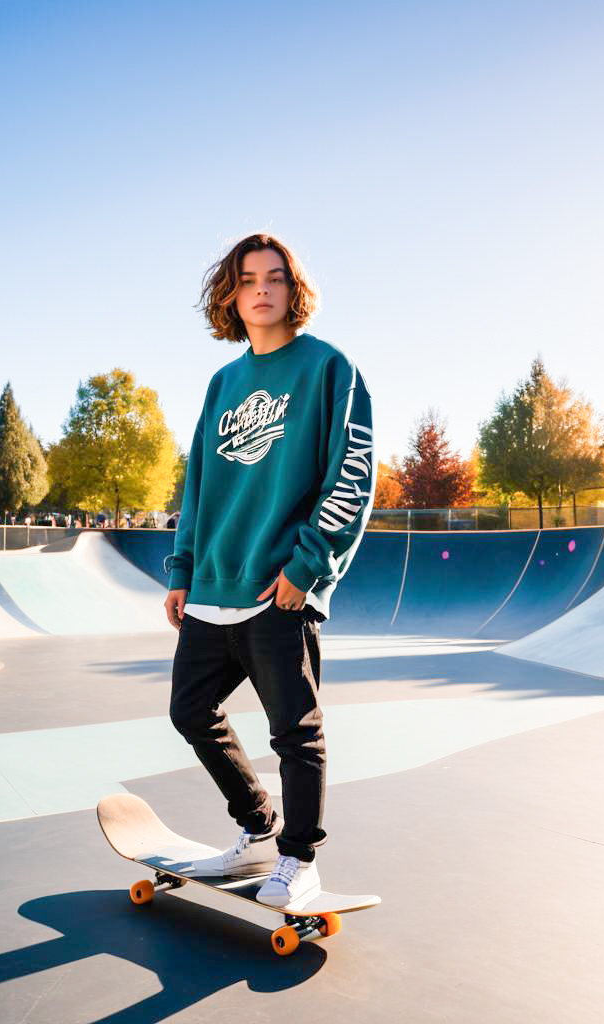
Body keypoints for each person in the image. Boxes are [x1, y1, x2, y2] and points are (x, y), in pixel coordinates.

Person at [164, 234, 374, 908]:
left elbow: (353, 474)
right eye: (247, 279)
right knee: (191, 711)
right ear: (230, 295)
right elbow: (198, 485)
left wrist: (307, 567)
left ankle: (298, 858)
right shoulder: (223, 384)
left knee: (295, 732)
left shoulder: (328, 369)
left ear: (293, 289)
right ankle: (258, 827)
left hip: (279, 589)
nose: (261, 289)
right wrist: (182, 568)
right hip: (213, 588)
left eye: (275, 277)